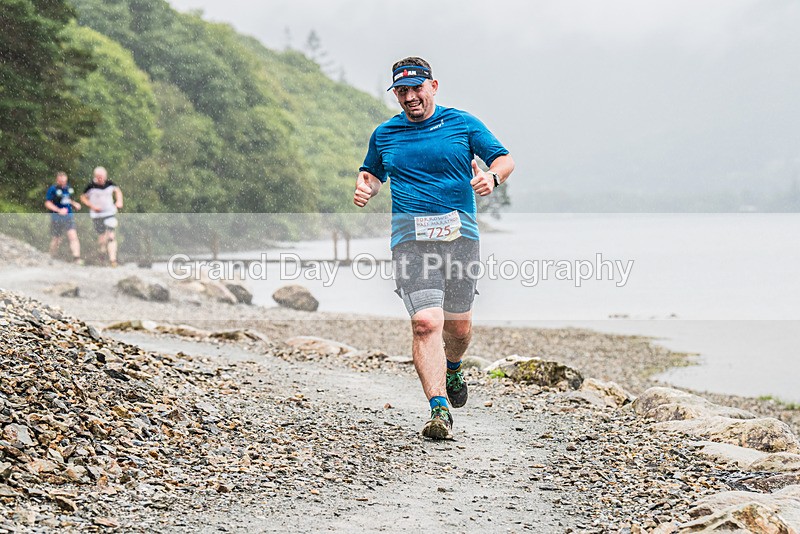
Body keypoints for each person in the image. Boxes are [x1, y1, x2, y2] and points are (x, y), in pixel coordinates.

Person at [354, 57, 515, 439]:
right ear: (395, 94)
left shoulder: (462, 123)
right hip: (410, 241)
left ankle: (454, 366)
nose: (410, 97)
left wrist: (492, 177)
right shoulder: (384, 134)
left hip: (460, 240)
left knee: (458, 327)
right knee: (426, 322)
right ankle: (439, 409)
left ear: (434, 86)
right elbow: (373, 174)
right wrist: (366, 187)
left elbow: (504, 159)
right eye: (401, 91)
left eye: (416, 89)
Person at [80, 166, 123, 267]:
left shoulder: (110, 184)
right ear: (95, 176)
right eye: (98, 177)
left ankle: (113, 260)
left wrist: (119, 201)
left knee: (111, 236)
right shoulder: (91, 186)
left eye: (102, 177)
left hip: (109, 212)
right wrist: (92, 206)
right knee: (102, 237)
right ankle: (102, 254)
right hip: (97, 214)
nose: (101, 179)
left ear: (105, 176)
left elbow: (118, 191)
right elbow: (83, 197)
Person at [44, 171, 82, 263]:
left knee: (73, 236)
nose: (63, 183)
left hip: (68, 217)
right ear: (57, 180)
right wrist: (58, 210)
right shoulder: (53, 189)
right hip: (57, 218)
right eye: (61, 181)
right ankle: (51, 256)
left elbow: (67, 199)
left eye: (64, 181)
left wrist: (74, 204)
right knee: (57, 239)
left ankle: (77, 258)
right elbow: (47, 203)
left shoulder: (68, 188)